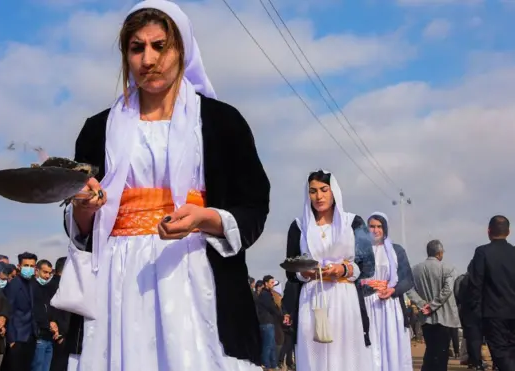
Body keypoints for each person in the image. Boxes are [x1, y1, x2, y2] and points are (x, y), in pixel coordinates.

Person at [57, 1, 270, 370]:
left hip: (191, 270)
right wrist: (83, 207)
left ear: (182, 50)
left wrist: (205, 218)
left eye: (160, 46)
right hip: (115, 281)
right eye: (137, 48)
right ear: (126, 55)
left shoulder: (222, 122)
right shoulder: (98, 129)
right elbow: (83, 228)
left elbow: (253, 206)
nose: (148, 59)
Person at [284, 170, 374, 371]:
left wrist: (343, 269)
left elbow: (368, 265)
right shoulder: (299, 226)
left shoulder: (353, 223)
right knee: (313, 354)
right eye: (313, 191)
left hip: (344, 299)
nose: (319, 196)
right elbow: (291, 271)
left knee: (345, 355)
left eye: (324, 190)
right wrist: (304, 272)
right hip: (311, 299)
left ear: (334, 192)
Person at [467, 215, 515, 371]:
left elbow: (476, 284)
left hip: (493, 313)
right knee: (513, 353)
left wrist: (476, 312)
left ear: (489, 231)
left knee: (500, 354)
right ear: (508, 232)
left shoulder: (483, 252)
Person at [362, 212, 414, 370]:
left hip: (390, 306)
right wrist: (369, 284)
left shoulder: (397, 251)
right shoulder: (359, 252)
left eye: (379, 226)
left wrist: (392, 290)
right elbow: (354, 278)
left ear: (385, 229)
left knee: (390, 344)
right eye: (372, 226)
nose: (375, 230)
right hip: (368, 305)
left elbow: (408, 280)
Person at [407, 240, 459, 371]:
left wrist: (422, 304)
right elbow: (448, 289)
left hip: (425, 317)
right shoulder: (447, 268)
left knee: (430, 349)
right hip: (444, 317)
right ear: (440, 253)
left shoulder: (415, 270)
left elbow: (409, 289)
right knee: (442, 352)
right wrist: (433, 305)